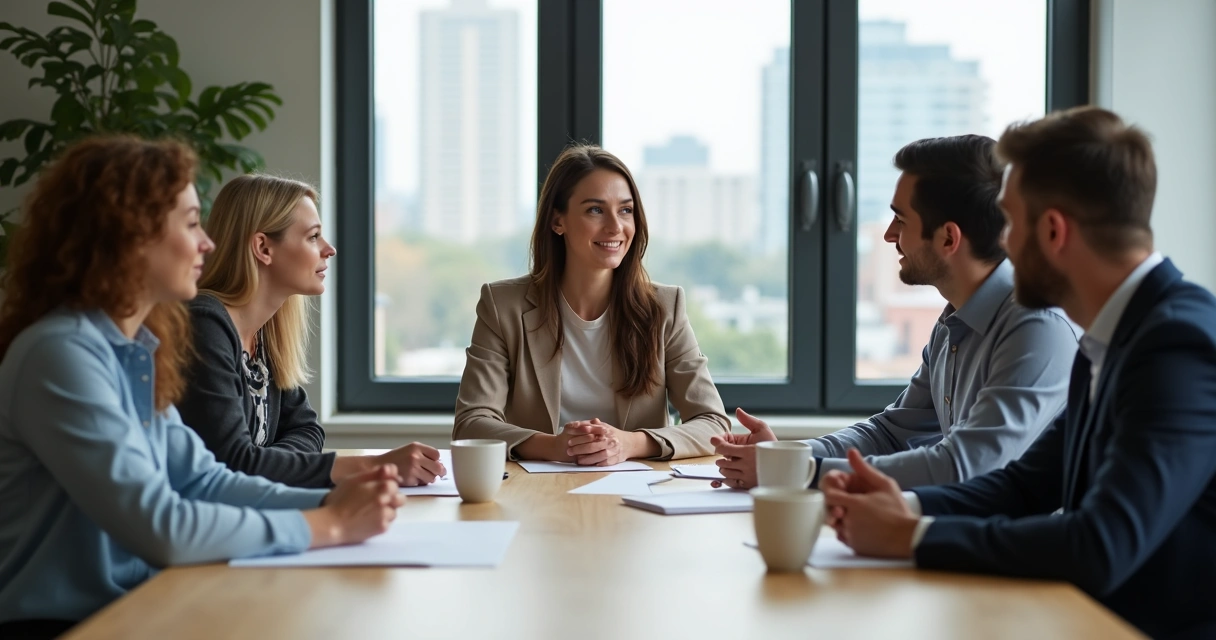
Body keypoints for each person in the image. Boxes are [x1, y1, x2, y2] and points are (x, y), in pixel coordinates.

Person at [822, 107, 1216, 639]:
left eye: (1009, 222)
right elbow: (1024, 486)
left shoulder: (1175, 344)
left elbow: (1100, 545)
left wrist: (912, 536)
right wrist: (901, 506)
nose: (997, 245)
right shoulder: (1113, 334)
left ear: (1052, 231)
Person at [0, 137, 403, 637]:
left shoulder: (136, 352)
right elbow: (160, 525)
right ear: (130, 235)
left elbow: (205, 481)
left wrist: (328, 503)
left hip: (140, 605)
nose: (208, 243)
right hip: (67, 624)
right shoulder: (59, 355)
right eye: (192, 224)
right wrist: (331, 525)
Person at [714, 135, 1078, 489]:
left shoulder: (1036, 327)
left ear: (949, 239)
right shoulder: (955, 322)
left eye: (901, 221)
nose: (889, 235)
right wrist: (787, 456)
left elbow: (964, 466)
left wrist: (797, 471)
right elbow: (890, 433)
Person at [454, 144, 729, 463]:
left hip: (638, 496)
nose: (615, 227)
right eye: (595, 210)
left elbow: (713, 423)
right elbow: (470, 425)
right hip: (536, 492)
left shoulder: (665, 307)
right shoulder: (503, 305)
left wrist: (629, 444)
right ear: (558, 221)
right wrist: (557, 446)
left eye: (625, 210)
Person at [177, 174, 444, 488]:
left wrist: (270, 463)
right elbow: (234, 464)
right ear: (263, 247)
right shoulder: (205, 327)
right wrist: (375, 465)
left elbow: (308, 430)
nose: (329, 249)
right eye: (313, 236)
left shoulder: (266, 335)